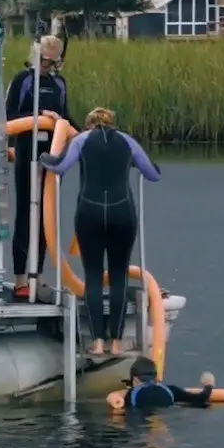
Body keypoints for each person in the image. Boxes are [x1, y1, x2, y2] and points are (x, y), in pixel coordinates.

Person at [39, 107, 160, 355]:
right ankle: (116, 343)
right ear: (111, 123)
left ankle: (97, 342)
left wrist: (43, 158)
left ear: (89, 124)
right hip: (123, 214)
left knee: (93, 276)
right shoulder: (127, 141)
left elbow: (60, 167)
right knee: (118, 275)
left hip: (89, 214)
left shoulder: (82, 140)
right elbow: (152, 174)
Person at [6, 35, 79, 299]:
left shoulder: (59, 83)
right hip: (27, 151)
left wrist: (81, 136)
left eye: (52, 62)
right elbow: (9, 116)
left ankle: (38, 275)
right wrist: (39, 117)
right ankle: (20, 279)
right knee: (26, 213)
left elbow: (67, 115)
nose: (48, 66)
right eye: (45, 61)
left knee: (47, 217)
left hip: (53, 152)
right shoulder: (23, 80)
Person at [109, 357, 214, 409]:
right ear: (155, 376)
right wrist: (208, 384)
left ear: (135, 379)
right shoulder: (170, 390)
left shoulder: (131, 395)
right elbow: (202, 398)